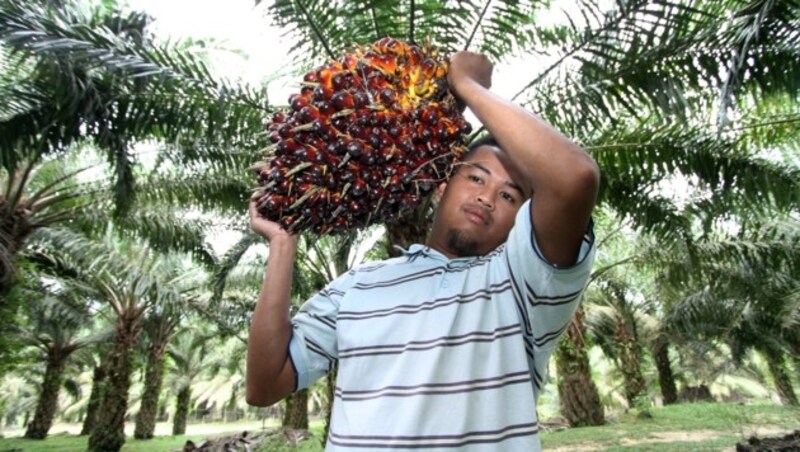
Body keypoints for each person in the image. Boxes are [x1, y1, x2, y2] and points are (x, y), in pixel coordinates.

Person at [247, 51, 600, 451]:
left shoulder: (523, 286)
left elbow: (575, 178)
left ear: (524, 219)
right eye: (476, 177)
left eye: (508, 195)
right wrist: (282, 242)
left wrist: (469, 87)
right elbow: (264, 385)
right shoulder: (357, 286)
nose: (486, 198)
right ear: (441, 185)